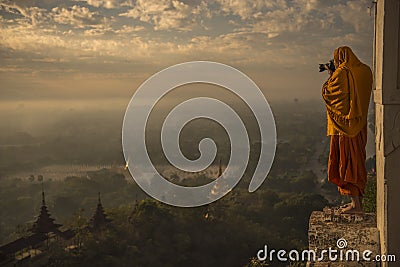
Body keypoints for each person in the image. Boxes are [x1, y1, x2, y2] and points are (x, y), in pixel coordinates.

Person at [322, 46, 373, 213]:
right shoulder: (364, 71)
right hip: (360, 125)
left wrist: (331, 75)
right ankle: (356, 204)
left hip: (344, 128)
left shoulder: (342, 73)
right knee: (357, 163)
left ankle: (356, 205)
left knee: (347, 164)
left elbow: (328, 93)